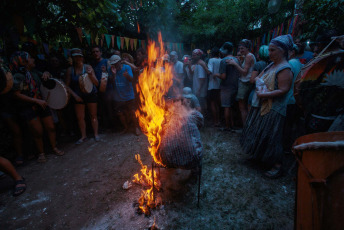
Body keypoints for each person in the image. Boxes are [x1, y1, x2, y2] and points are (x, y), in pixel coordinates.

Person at [240, 35, 294, 179]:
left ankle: (277, 166)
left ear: (282, 51)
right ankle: (260, 158)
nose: (269, 53)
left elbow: (284, 89)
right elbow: (258, 78)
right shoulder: (271, 65)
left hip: (275, 108)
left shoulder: (285, 68)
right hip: (263, 105)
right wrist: (260, 87)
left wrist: (265, 94)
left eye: (273, 50)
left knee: (272, 137)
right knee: (260, 132)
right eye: (269, 50)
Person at [10, 51, 64, 163]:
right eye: (30, 57)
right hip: (29, 108)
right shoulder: (18, 76)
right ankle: (41, 153)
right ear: (23, 61)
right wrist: (35, 100)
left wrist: (47, 73)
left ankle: (54, 147)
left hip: (43, 105)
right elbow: (16, 94)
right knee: (37, 131)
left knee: (51, 127)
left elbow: (48, 77)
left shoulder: (34, 73)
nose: (33, 59)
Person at [65, 48, 100, 144]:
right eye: (76, 57)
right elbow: (66, 86)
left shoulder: (88, 67)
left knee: (93, 115)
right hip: (78, 96)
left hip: (90, 94)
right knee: (80, 117)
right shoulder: (70, 70)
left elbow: (96, 83)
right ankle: (83, 136)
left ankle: (96, 134)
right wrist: (75, 96)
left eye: (79, 56)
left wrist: (91, 75)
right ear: (72, 58)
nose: (78, 58)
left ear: (82, 57)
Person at [227, 39, 256, 125]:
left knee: (242, 107)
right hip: (246, 82)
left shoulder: (249, 56)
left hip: (245, 83)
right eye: (239, 49)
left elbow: (244, 72)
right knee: (244, 107)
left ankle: (245, 128)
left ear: (247, 48)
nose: (240, 51)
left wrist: (234, 63)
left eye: (242, 48)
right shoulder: (248, 56)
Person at [109, 55, 140, 135]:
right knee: (120, 113)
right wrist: (114, 74)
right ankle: (126, 128)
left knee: (133, 112)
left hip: (129, 95)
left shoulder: (127, 67)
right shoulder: (111, 69)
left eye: (116, 63)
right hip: (118, 96)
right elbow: (111, 82)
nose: (115, 65)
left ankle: (136, 127)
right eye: (113, 63)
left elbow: (132, 80)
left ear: (120, 62)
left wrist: (127, 76)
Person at [0, 64, 24, 165]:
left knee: (20, 130)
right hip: (5, 106)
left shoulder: (14, 72)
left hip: (15, 106)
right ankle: (19, 154)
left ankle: (23, 153)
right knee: (16, 131)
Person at [217, 42, 241, 131]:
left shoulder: (223, 61)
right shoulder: (236, 60)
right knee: (231, 106)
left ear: (225, 50)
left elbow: (223, 76)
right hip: (235, 86)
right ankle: (232, 124)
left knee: (226, 107)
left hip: (226, 87)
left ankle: (227, 127)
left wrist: (216, 75)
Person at [91, 46, 113, 131]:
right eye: (93, 52)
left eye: (97, 51)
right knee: (101, 109)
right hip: (98, 91)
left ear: (100, 52)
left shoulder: (106, 62)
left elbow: (111, 76)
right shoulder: (92, 64)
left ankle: (113, 126)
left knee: (109, 108)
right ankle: (106, 126)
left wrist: (106, 72)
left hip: (108, 89)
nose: (95, 53)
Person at [248, 45, 270, 110]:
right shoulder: (270, 64)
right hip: (265, 92)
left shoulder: (258, 64)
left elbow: (252, 80)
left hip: (255, 91)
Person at [207, 47, 222, 126]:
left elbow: (210, 71)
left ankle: (215, 121)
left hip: (212, 85)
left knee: (213, 103)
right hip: (220, 85)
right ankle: (219, 120)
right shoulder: (221, 60)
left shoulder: (211, 60)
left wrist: (203, 66)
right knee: (217, 104)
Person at [191, 49, 208, 114]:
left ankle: (203, 119)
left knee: (201, 106)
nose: (192, 57)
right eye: (192, 55)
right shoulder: (197, 64)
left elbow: (202, 78)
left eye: (194, 55)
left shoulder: (200, 65)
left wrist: (198, 90)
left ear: (199, 56)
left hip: (200, 91)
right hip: (197, 90)